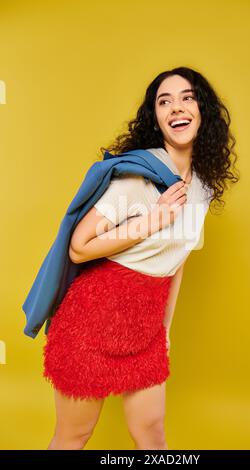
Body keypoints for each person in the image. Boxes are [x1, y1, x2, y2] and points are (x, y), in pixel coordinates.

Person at [43, 66, 239, 450]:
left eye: (187, 97)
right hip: (90, 325)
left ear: (203, 111)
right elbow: (79, 246)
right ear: (156, 118)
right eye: (164, 101)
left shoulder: (202, 186)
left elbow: (176, 262)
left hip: (146, 330)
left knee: (151, 435)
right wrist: (153, 220)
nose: (176, 108)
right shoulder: (136, 179)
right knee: (74, 435)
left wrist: (163, 331)